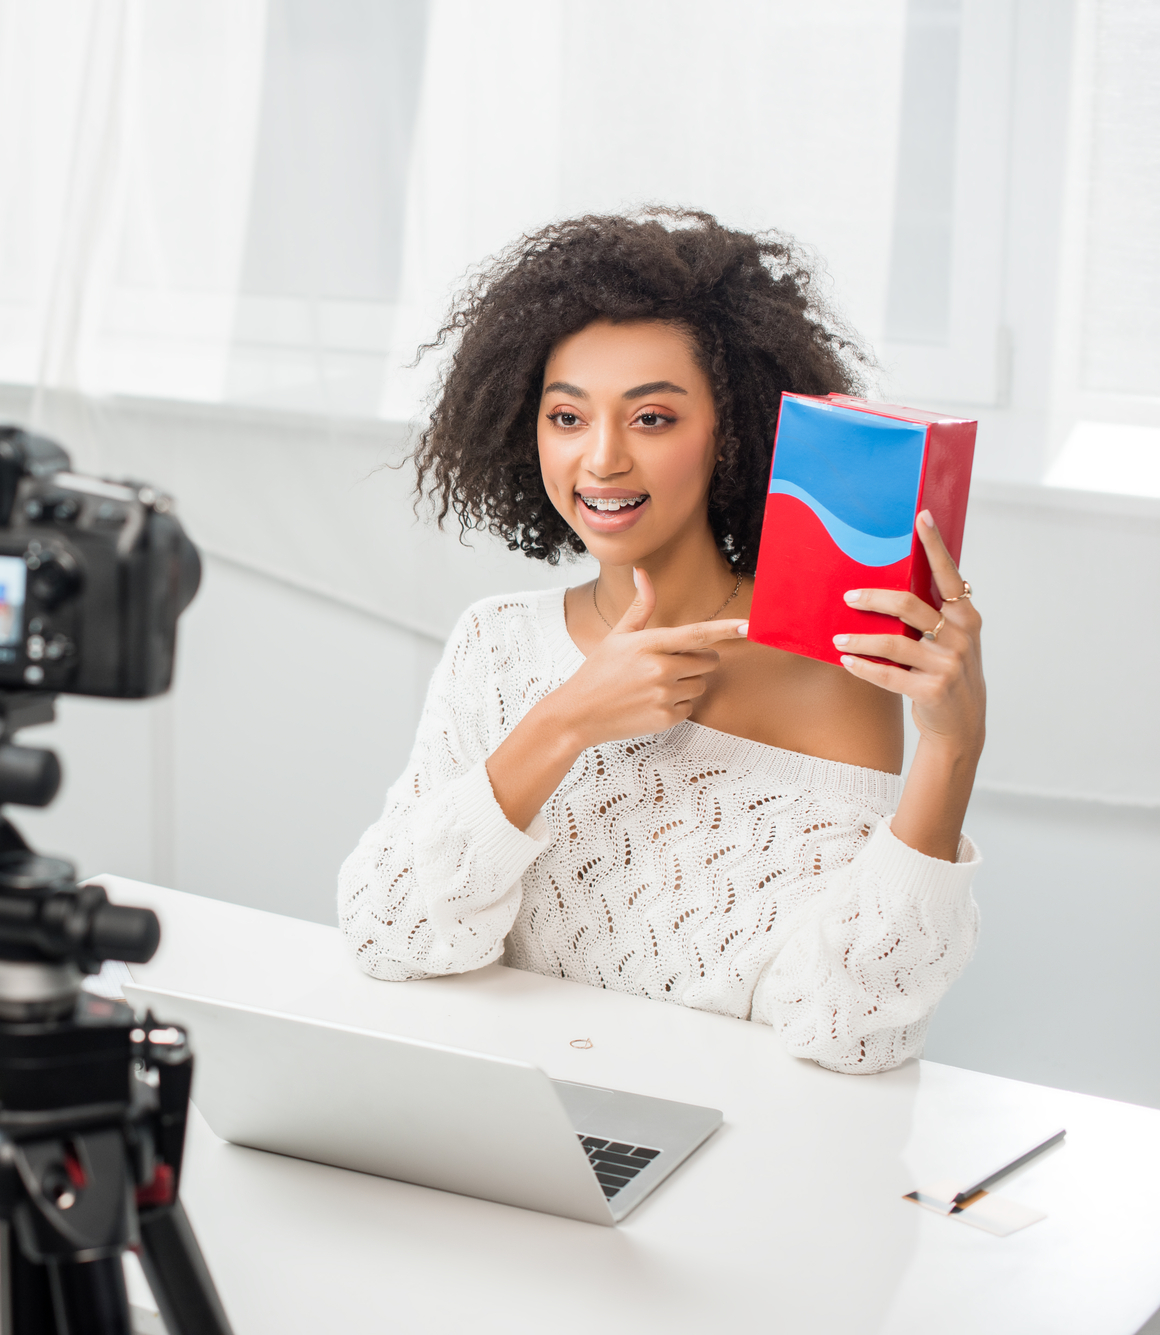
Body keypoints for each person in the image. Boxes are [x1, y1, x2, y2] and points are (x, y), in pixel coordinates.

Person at [337, 209, 985, 1075]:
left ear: (731, 432)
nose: (601, 460)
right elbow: (389, 931)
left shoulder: (829, 670)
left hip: (721, 1150)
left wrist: (953, 749)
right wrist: (563, 722)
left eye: (650, 419)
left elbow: (844, 1028)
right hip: (503, 1124)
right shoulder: (496, 645)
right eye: (567, 418)